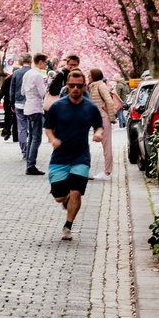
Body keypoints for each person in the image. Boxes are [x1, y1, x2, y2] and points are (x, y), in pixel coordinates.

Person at [45, 69, 105, 241]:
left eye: (79, 86)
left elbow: (99, 126)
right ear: (67, 85)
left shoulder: (91, 107)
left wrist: (99, 134)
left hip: (81, 157)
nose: (76, 89)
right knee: (59, 197)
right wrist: (53, 139)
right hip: (60, 157)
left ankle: (67, 226)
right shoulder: (57, 106)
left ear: (84, 86)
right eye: (72, 85)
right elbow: (48, 128)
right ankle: (67, 200)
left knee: (76, 193)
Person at [86, 68, 124, 179]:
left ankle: (107, 172)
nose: (88, 77)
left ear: (95, 76)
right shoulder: (94, 86)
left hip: (103, 118)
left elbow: (110, 102)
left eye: (89, 75)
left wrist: (111, 118)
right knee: (105, 145)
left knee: (107, 146)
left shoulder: (100, 86)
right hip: (98, 118)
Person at [21, 54, 51, 174]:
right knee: (36, 137)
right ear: (40, 62)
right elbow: (42, 93)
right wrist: (47, 88)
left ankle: (29, 162)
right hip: (36, 107)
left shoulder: (27, 73)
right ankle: (31, 165)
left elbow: (22, 91)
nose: (46, 64)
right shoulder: (38, 75)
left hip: (28, 106)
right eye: (45, 62)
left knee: (31, 136)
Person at [10, 54, 34, 150]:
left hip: (19, 102)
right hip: (31, 102)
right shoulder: (33, 72)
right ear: (31, 60)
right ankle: (31, 149)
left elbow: (12, 89)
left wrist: (12, 103)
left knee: (21, 128)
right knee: (32, 127)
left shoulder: (16, 73)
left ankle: (24, 150)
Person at [0, 72, 14, 141]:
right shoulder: (17, 79)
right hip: (12, 101)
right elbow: (2, 91)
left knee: (7, 117)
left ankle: (7, 131)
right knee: (13, 118)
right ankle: (10, 132)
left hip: (7, 101)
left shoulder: (8, 80)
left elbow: (2, 91)